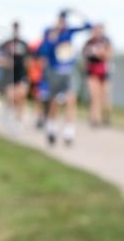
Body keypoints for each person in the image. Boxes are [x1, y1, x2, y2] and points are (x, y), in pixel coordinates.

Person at [37, 9, 92, 146]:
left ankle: (69, 132)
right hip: (54, 72)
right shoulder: (49, 32)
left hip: (68, 71)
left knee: (71, 99)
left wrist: (77, 13)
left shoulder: (69, 32)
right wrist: (52, 40)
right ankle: (51, 128)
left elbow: (88, 26)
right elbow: (43, 51)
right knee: (54, 102)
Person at [82, 23, 114, 127]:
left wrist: (101, 53)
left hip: (103, 71)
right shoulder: (89, 43)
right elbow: (85, 58)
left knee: (105, 96)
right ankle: (94, 118)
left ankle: (106, 115)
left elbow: (108, 55)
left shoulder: (106, 41)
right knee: (94, 96)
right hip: (92, 72)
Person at [1, 21, 30, 125]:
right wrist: (5, 62)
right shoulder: (7, 43)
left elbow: (29, 58)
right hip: (10, 75)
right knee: (11, 97)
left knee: (21, 96)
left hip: (21, 74)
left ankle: (19, 118)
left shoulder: (24, 44)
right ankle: (9, 112)